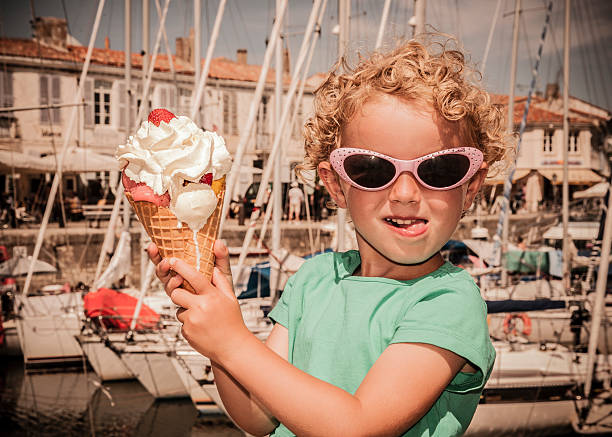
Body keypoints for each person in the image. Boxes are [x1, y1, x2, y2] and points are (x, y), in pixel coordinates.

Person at [147, 36, 511, 436]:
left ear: (471, 187)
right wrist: (218, 334)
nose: (406, 194)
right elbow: (257, 418)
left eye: (439, 171)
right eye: (371, 170)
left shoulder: (447, 301)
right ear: (336, 186)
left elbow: (358, 425)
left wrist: (233, 342)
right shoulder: (313, 279)